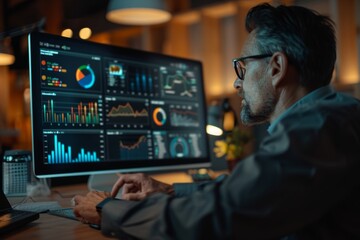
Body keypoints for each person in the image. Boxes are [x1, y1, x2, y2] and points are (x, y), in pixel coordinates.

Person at [73, 3, 360, 239]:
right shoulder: (329, 119)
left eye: (243, 67)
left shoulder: (319, 129)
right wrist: (170, 189)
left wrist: (106, 209)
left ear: (276, 67)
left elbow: (221, 214)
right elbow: (247, 192)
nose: (237, 83)